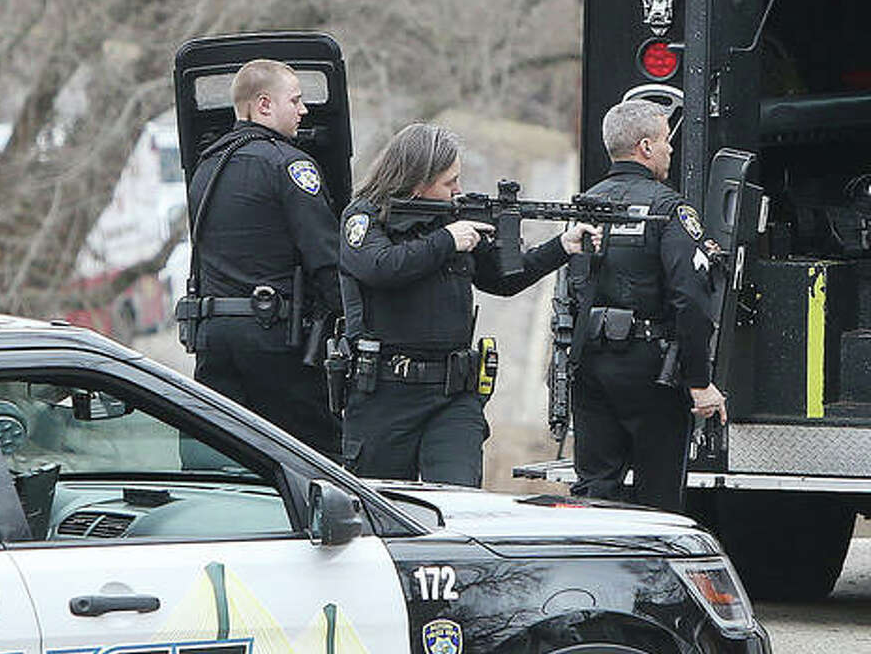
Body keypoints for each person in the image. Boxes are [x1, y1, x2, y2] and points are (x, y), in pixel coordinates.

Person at [339, 123, 600, 486]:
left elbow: (503, 279)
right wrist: (446, 240)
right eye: (449, 183)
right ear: (417, 181)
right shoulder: (365, 217)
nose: (457, 190)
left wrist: (561, 247)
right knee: (384, 508)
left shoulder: (453, 219)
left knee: (459, 499)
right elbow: (379, 266)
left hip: (453, 396)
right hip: (386, 394)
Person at [569, 99, 726, 512]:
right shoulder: (670, 209)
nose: (671, 149)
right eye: (665, 141)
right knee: (658, 499)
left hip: (589, 364)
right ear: (645, 147)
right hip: (651, 370)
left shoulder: (584, 204)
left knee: (594, 492)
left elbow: (570, 287)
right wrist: (698, 380)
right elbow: (690, 298)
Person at [184, 59, 342, 454]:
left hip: (213, 338)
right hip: (275, 341)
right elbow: (326, 259)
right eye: (296, 100)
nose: (304, 110)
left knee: (221, 458)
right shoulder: (290, 166)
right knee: (311, 457)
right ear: (265, 106)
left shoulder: (206, 166)